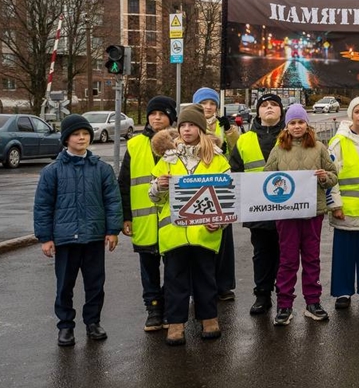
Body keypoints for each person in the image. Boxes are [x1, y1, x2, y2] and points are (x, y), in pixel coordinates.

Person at [34, 114, 122, 347]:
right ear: (66, 139)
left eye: (85, 134)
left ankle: (93, 323)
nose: (81, 138)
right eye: (76, 134)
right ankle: (65, 327)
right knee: (65, 285)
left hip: (93, 236)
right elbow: (43, 206)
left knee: (95, 284)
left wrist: (113, 230)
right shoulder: (52, 171)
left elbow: (113, 200)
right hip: (65, 239)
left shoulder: (101, 169)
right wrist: (45, 238)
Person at [149, 104, 230, 346]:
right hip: (174, 233)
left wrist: (221, 223)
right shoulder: (168, 159)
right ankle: (175, 325)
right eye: (182, 125)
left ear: (200, 129)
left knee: (206, 279)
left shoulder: (217, 159)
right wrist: (159, 186)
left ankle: (209, 319)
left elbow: (226, 198)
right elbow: (154, 197)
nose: (186, 129)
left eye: (191, 125)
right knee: (175, 280)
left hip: (204, 233)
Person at [264, 104, 339, 325]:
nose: (297, 126)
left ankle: (313, 302)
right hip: (286, 214)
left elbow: (334, 176)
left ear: (307, 124)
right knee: (287, 261)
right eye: (293, 123)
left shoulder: (319, 148)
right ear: (287, 126)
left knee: (311, 259)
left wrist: (324, 177)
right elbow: (266, 177)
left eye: (300, 122)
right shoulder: (278, 149)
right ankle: (284, 305)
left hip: (313, 211)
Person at [118, 95, 176, 332]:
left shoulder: (180, 142)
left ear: (170, 118)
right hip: (144, 220)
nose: (156, 118)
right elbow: (123, 183)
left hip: (173, 219)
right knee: (149, 268)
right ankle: (153, 309)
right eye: (153, 114)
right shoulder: (134, 146)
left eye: (162, 114)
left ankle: (170, 306)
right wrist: (126, 217)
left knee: (175, 267)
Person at [230, 93, 284, 316]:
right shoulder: (245, 140)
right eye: (264, 105)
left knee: (285, 255)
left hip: (286, 209)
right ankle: (262, 295)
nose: (269, 108)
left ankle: (284, 295)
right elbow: (235, 172)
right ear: (257, 112)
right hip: (258, 210)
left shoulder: (291, 136)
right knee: (261, 253)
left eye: (274, 105)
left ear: (281, 111)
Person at [327, 97, 359, 310]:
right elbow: (331, 177)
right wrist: (335, 205)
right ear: (351, 114)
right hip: (346, 209)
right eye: (357, 111)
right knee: (344, 255)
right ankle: (343, 292)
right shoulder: (338, 141)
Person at [192, 87, 239, 302]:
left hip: (221, 185)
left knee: (223, 238)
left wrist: (230, 131)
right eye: (204, 104)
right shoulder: (190, 124)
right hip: (197, 185)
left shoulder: (223, 125)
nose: (209, 107)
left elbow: (238, 148)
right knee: (198, 238)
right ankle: (199, 286)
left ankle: (223, 285)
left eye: (212, 104)